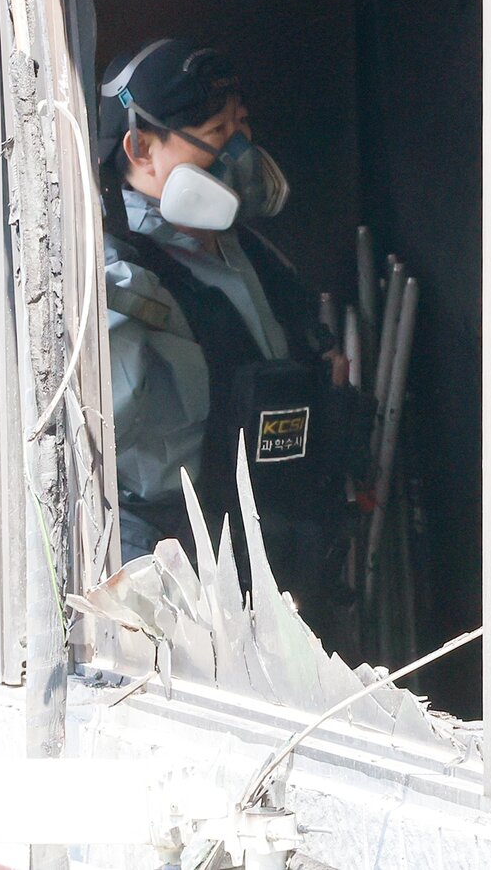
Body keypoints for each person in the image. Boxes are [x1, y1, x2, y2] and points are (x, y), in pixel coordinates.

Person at [95, 38, 370, 635]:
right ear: (140, 147)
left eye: (240, 126)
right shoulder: (116, 289)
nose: (239, 151)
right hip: (195, 612)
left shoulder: (252, 254)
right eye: (217, 132)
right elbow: (132, 473)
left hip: (284, 578)